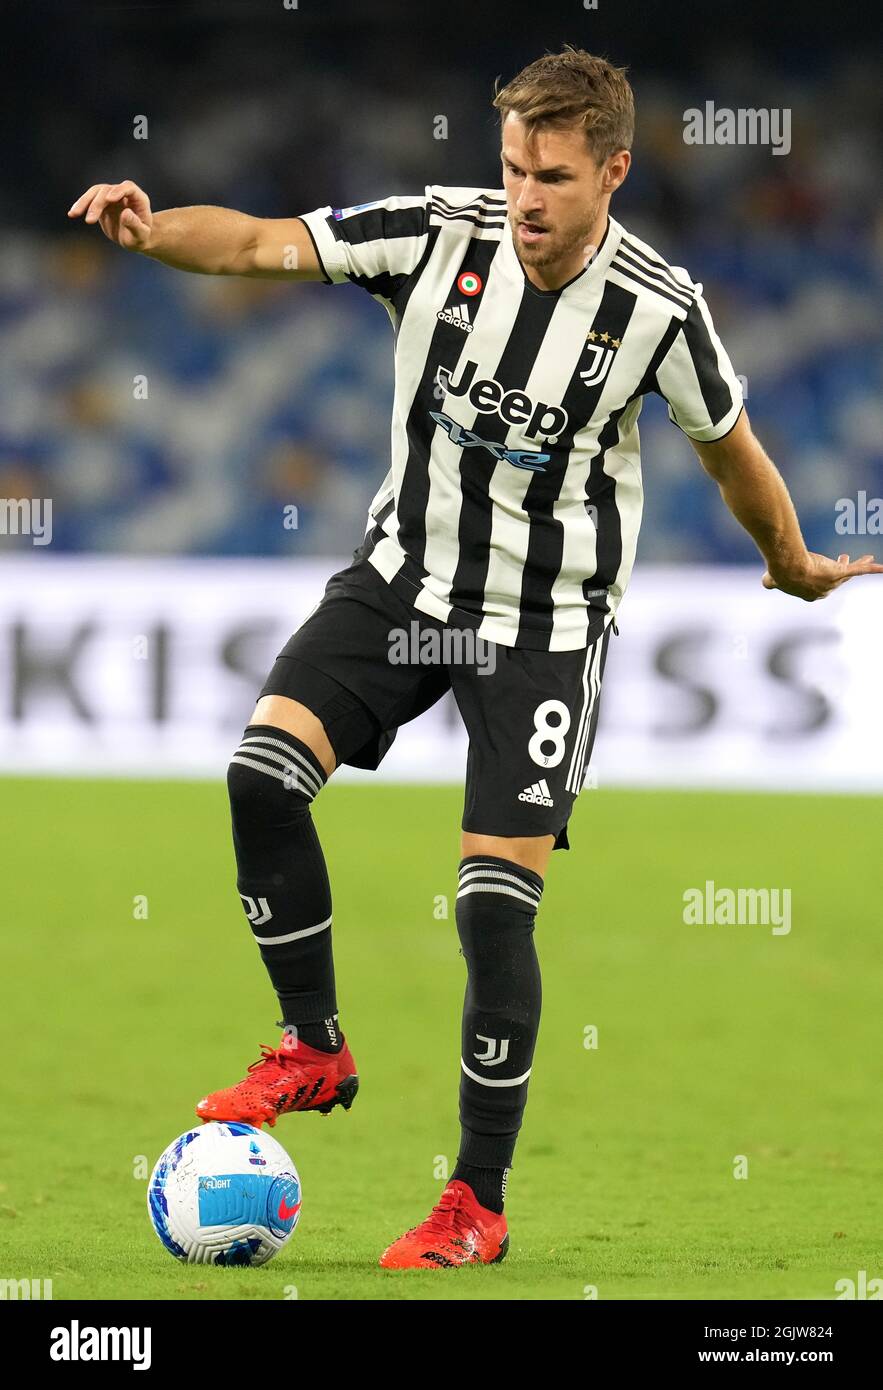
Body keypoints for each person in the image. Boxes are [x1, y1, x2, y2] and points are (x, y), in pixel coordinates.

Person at [69, 46, 881, 1271]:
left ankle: (476, 1203)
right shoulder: (435, 234)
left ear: (612, 171)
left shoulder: (660, 310)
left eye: (552, 174)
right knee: (258, 773)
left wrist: (792, 559)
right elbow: (252, 244)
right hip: (403, 581)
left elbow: (730, 449)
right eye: (511, 166)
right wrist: (151, 228)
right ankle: (313, 1043)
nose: (525, 196)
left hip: (545, 630)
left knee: (493, 911)